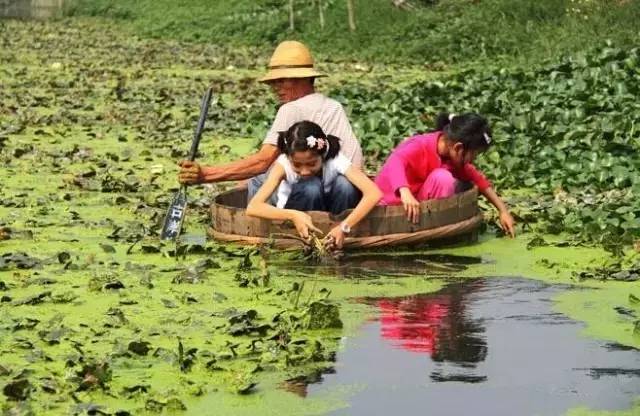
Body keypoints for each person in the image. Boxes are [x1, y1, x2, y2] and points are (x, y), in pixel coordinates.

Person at [178, 40, 363, 205]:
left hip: (318, 192)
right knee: (262, 176)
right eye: (275, 82)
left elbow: (262, 161)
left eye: (283, 81)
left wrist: (205, 175)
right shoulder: (334, 106)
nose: (276, 88)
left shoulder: (290, 109)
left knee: (259, 179)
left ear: (306, 78)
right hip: (345, 192)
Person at [374, 112, 516, 237]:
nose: (473, 160)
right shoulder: (420, 144)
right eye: (474, 154)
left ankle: (432, 227)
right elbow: (396, 161)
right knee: (443, 178)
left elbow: (479, 181)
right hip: (389, 204)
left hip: (416, 207)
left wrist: (503, 211)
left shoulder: (453, 159)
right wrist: (404, 192)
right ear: (458, 148)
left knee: (443, 178)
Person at [246, 121, 382, 249]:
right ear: (289, 158)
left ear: (322, 156)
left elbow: (373, 193)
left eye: (311, 164)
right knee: (311, 187)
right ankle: (308, 238)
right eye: (297, 165)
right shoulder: (283, 164)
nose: (304, 171)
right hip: (295, 218)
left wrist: (344, 226)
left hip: (334, 220)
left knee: (345, 185)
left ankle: (336, 237)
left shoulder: (335, 159)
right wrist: (293, 215)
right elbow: (253, 207)